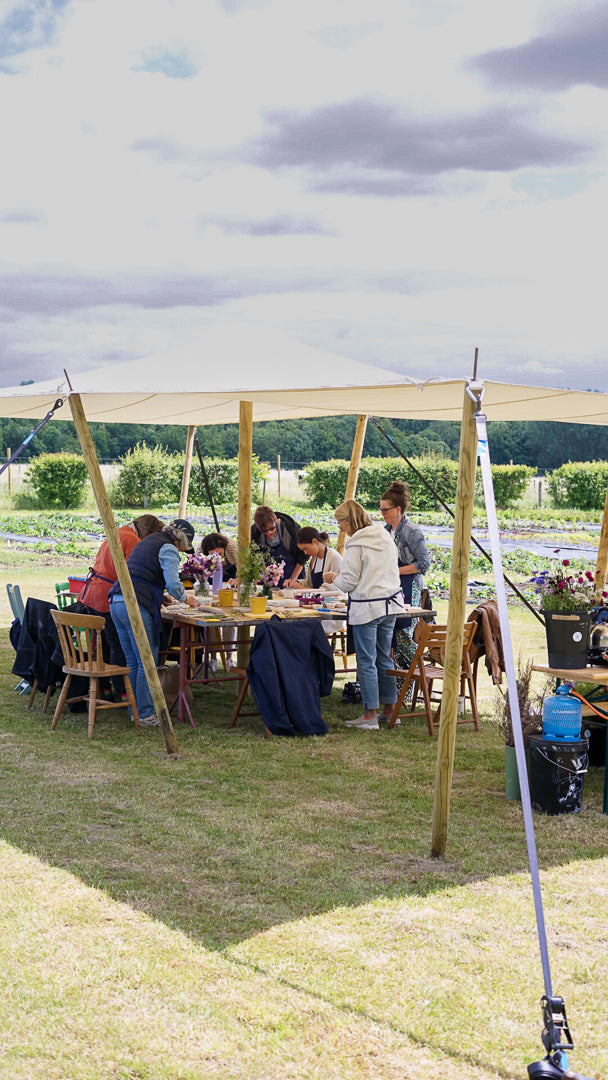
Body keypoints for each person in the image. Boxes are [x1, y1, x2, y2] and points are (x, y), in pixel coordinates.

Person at [109, 518, 199, 727]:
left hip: (117, 600)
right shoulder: (168, 548)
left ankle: (135, 711)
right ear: (182, 541)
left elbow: (141, 573)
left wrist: (159, 596)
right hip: (135, 603)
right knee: (146, 660)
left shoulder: (148, 541)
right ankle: (147, 713)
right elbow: (173, 583)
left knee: (132, 660)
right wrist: (186, 599)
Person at [324, 499, 404, 730]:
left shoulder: (356, 545)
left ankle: (369, 715)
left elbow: (348, 583)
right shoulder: (385, 538)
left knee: (366, 661)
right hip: (389, 606)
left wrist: (332, 578)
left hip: (367, 608)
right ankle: (390, 711)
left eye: (341, 521)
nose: (339, 526)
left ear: (351, 520)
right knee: (383, 658)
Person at [79, 514, 165, 697]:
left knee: (102, 645)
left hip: (94, 592)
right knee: (117, 645)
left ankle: (104, 687)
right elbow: (133, 574)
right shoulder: (133, 540)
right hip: (106, 595)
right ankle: (122, 690)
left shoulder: (119, 532)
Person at [379, 481, 431, 680]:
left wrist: (396, 570)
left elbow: (423, 564)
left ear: (398, 510)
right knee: (390, 631)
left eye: (386, 510)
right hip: (391, 585)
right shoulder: (384, 531)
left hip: (410, 584)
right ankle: (399, 681)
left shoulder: (412, 531)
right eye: (381, 509)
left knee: (403, 632)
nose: (382, 513)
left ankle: (420, 675)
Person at [251, 506, 307, 587]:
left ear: (276, 519)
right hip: (268, 582)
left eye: (272, 528)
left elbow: (303, 556)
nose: (269, 532)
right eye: (265, 531)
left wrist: (293, 579)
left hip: (292, 578)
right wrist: (261, 579)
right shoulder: (255, 533)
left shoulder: (291, 528)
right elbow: (255, 558)